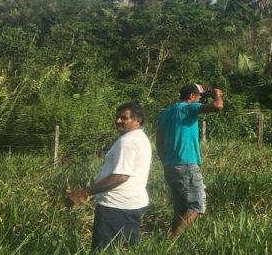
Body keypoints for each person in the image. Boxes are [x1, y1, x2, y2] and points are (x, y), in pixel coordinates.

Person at [66, 101, 152, 251]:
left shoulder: (128, 141)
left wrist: (83, 193)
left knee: (104, 250)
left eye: (124, 118)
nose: (118, 121)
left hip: (116, 206)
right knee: (125, 249)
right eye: (117, 117)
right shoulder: (140, 137)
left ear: (137, 120)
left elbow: (121, 176)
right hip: (130, 204)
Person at [156, 82, 224, 238]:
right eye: (199, 97)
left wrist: (165, 161)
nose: (200, 100)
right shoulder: (188, 107)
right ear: (191, 96)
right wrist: (217, 94)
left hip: (170, 166)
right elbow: (217, 106)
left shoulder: (165, 113)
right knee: (196, 206)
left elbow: (159, 142)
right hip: (186, 164)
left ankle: (171, 245)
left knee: (180, 210)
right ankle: (170, 241)